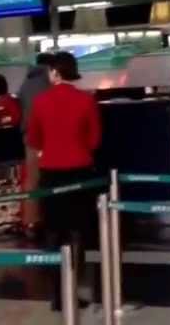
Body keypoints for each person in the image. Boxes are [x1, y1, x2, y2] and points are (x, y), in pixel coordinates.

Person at [26, 52, 102, 311]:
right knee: (77, 232)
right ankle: (74, 288)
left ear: (55, 73)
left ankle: (57, 294)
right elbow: (94, 141)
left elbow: (34, 139)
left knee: (53, 232)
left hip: (52, 174)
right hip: (80, 173)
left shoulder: (40, 101)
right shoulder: (86, 100)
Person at [20, 53, 55, 235]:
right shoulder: (47, 83)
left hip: (29, 137)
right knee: (52, 177)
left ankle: (30, 221)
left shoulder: (26, 83)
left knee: (32, 179)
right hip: (47, 136)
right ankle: (49, 220)